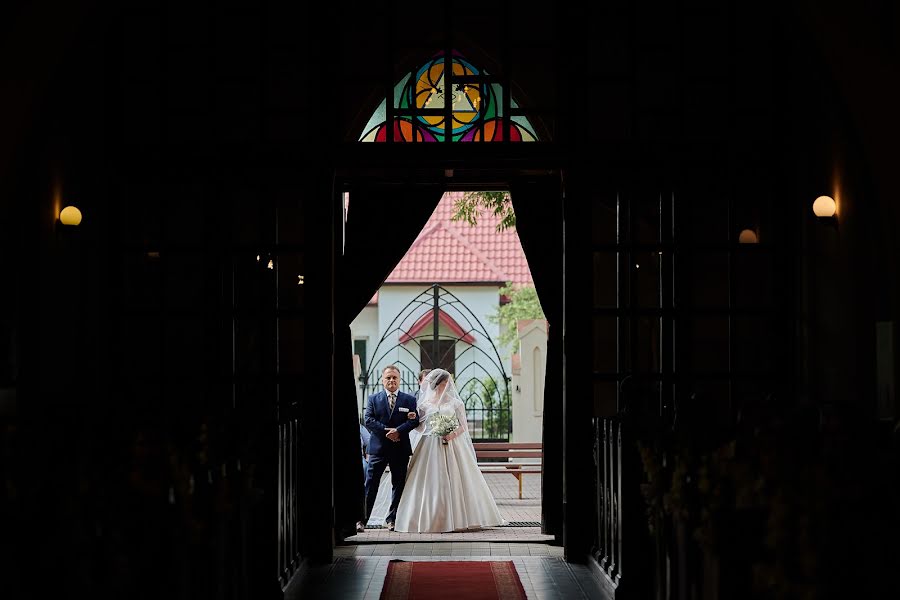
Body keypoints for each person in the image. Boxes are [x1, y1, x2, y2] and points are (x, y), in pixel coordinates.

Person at [394, 368, 504, 533]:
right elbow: (420, 427)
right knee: (429, 481)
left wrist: (450, 434)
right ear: (436, 384)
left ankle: (459, 518)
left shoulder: (456, 403)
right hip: (429, 444)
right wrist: (412, 420)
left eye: (448, 382)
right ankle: (426, 519)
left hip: (451, 445)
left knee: (456, 479)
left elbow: (463, 427)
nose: (447, 385)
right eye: (444, 383)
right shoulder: (424, 404)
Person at [358, 365, 419, 532]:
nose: (391, 380)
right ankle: (362, 520)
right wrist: (388, 432)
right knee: (371, 484)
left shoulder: (409, 400)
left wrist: (398, 431)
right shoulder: (373, 399)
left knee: (398, 484)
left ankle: (392, 519)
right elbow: (369, 420)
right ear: (383, 380)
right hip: (378, 449)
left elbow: (414, 420)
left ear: (399, 380)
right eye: (388, 378)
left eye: (394, 378)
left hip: (400, 449)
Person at [409, 368, 432, 452]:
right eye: (426, 381)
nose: (429, 384)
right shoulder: (411, 396)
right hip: (415, 432)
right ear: (419, 381)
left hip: (432, 434)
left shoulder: (438, 396)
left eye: (431, 381)